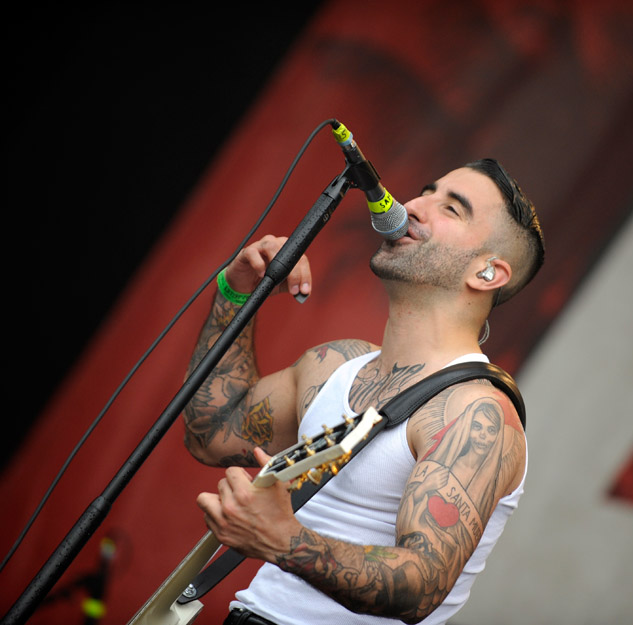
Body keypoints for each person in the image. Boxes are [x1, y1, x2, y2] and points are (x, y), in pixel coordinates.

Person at [184, 158, 545, 625]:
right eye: (424, 192)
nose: (411, 206)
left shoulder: (476, 409)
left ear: (488, 273)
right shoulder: (332, 365)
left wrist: (282, 539)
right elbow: (209, 433)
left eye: (451, 209)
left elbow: (421, 585)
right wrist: (236, 294)